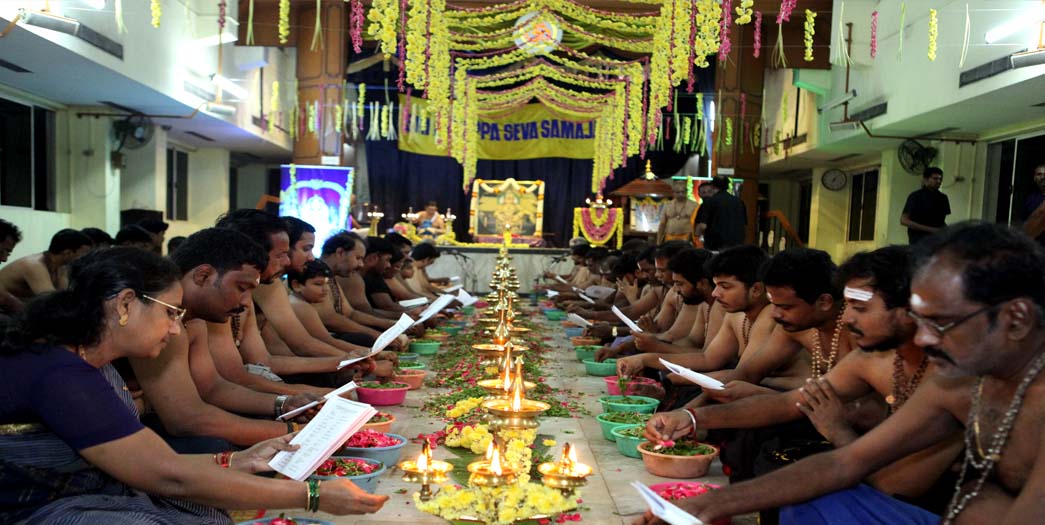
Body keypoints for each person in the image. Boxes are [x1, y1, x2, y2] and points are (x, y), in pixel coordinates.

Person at [634, 222, 1045, 525]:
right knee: (807, 497)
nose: (922, 338)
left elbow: (889, 482)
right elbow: (844, 462)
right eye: (919, 321)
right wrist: (708, 504)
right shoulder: (954, 380)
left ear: (1017, 319)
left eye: (940, 324)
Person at [0, 247, 388, 524]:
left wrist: (237, 460)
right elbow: (167, 474)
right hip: (27, 508)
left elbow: (150, 460)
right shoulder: (60, 370)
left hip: (81, 489)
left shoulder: (91, 360)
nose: (174, 328)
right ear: (124, 305)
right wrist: (314, 497)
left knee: (205, 511)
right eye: (170, 313)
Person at [645, 246, 963, 514]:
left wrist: (837, 427)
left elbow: (894, 486)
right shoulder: (873, 358)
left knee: (810, 494)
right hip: (868, 465)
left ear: (911, 309)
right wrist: (692, 417)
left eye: (860, 308)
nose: (848, 317)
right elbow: (788, 403)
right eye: (849, 305)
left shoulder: (957, 380)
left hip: (927, 507)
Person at [130, 228, 321, 450]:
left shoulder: (195, 321)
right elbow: (186, 419)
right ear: (202, 276)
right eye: (241, 288)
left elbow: (213, 388)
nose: (245, 302)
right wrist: (298, 434)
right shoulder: (160, 321)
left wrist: (284, 404)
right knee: (213, 445)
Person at [0, 228, 93, 309]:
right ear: (67, 253)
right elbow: (50, 303)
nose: (87, 258)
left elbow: (64, 299)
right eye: (84, 254)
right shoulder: (33, 265)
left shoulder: (62, 267)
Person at [694, 176, 747, 250]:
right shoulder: (739, 202)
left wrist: (696, 234)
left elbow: (703, 226)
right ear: (728, 186)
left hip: (716, 246)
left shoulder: (709, 201)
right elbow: (744, 224)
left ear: (712, 186)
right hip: (737, 245)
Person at [901, 167, 951, 245]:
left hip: (937, 240)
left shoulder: (943, 198)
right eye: (935, 178)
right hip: (918, 240)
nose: (938, 181)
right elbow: (904, 220)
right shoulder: (915, 196)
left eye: (940, 179)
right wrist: (931, 229)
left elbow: (941, 221)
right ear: (926, 179)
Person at [657, 178, 699, 244]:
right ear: (673, 192)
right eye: (678, 192)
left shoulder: (694, 205)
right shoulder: (668, 205)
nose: (680, 194)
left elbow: (697, 224)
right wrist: (658, 242)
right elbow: (662, 224)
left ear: (687, 192)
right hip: (669, 237)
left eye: (683, 192)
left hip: (686, 237)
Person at [1021, 164, 1045, 246]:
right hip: (1035, 245)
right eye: (1039, 174)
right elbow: (1025, 221)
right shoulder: (1030, 199)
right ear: (1034, 178)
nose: (1042, 177)